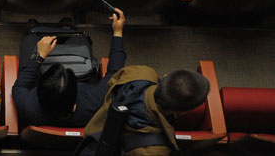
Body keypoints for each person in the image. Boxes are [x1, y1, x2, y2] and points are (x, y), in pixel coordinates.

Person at [12, 9, 126, 128]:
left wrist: (38, 56)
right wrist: (118, 31)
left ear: (40, 92)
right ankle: (67, 30)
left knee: (30, 40)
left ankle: (34, 31)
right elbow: (115, 72)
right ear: (75, 92)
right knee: (80, 39)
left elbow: (20, 85)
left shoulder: (28, 107)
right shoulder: (95, 103)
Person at [79, 67, 210, 155]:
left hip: (94, 132)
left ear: (165, 76)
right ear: (182, 112)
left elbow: (112, 82)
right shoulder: (155, 150)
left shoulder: (142, 72)